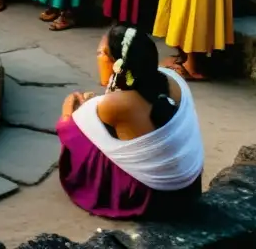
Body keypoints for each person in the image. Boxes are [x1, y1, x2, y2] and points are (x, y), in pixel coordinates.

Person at [56, 26, 204, 219]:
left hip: (155, 197)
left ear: (118, 64)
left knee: (77, 134)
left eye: (101, 53)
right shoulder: (174, 79)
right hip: (188, 188)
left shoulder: (115, 105)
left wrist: (68, 110)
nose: (98, 56)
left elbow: (71, 130)